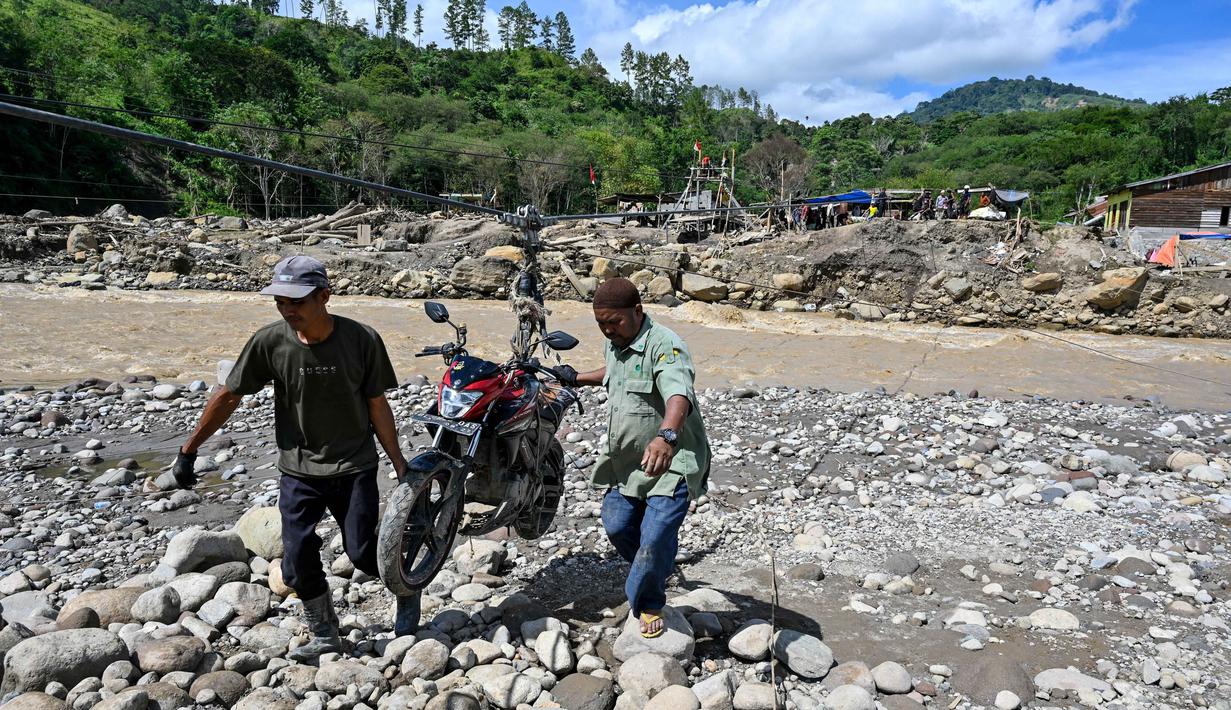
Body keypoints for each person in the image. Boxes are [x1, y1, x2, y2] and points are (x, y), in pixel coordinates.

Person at [171, 255, 419, 661]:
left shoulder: (362, 339)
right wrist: (188, 450)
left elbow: (377, 404)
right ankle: (325, 633)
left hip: (354, 466)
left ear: (324, 296)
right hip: (299, 470)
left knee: (362, 552)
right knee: (297, 562)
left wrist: (398, 461)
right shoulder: (270, 342)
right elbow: (229, 394)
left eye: (296, 301)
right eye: (280, 302)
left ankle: (407, 589)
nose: (288, 310)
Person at [555, 278, 710, 639]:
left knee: (654, 537)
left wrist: (666, 436)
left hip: (672, 461)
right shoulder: (616, 342)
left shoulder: (666, 346)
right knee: (618, 525)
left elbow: (677, 394)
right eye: (601, 324)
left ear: (637, 311)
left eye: (615, 322)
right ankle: (656, 565)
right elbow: (613, 373)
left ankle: (649, 602)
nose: (609, 330)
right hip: (628, 464)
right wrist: (575, 378)